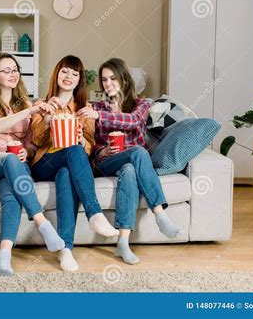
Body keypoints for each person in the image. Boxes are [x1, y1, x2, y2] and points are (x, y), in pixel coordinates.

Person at [77, 57, 180, 264]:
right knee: (140, 153)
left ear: (124, 79)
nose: (108, 83)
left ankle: (123, 242)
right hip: (107, 163)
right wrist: (102, 151)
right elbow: (93, 145)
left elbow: (132, 121)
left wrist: (98, 115)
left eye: (113, 78)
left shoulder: (141, 105)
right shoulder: (98, 107)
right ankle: (159, 213)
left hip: (129, 163)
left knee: (130, 169)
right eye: (104, 79)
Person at [0, 52, 64, 276]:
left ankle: (4, 256)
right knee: (10, 159)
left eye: (15, 69)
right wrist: (31, 110)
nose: (13, 74)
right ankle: (43, 223)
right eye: (7, 70)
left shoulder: (23, 103)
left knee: (10, 192)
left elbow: (31, 144)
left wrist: (26, 152)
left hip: (12, 166)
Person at [31, 55, 119, 272]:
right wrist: (47, 120)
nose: (69, 76)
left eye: (75, 73)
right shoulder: (41, 105)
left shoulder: (84, 109)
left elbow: (89, 146)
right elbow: (35, 140)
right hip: (44, 163)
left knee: (66, 173)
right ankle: (94, 213)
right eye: (65, 71)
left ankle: (65, 250)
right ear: (56, 74)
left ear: (80, 80)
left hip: (67, 164)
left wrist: (80, 137)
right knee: (72, 152)